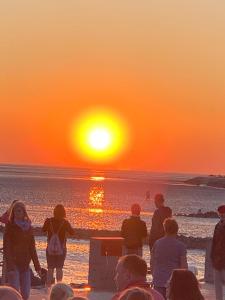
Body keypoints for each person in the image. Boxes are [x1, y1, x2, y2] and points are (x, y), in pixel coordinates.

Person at [3, 201, 41, 300]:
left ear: (24, 212)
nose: (17, 213)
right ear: (13, 212)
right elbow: (7, 247)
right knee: (14, 294)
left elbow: (32, 248)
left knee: (25, 294)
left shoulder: (29, 228)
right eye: (15, 211)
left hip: (25, 264)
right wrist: (10, 264)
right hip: (14, 264)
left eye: (19, 210)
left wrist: (37, 266)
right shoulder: (10, 227)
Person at [152, 218, 187, 299]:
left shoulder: (157, 243)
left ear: (165, 229)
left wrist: (154, 275)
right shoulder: (181, 246)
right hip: (174, 281)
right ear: (177, 230)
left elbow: (152, 262)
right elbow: (184, 266)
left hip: (158, 279)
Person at [42, 204, 75, 286]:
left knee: (50, 268)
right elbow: (72, 232)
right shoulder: (65, 222)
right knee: (59, 268)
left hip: (50, 248)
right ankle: (59, 286)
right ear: (64, 213)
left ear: (54, 212)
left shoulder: (48, 221)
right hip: (62, 248)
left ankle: (48, 286)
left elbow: (43, 230)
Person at [211, 205, 225, 300]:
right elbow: (214, 242)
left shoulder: (219, 226)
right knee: (217, 287)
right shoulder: (217, 225)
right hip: (216, 259)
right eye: (220, 214)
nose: (221, 216)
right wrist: (212, 256)